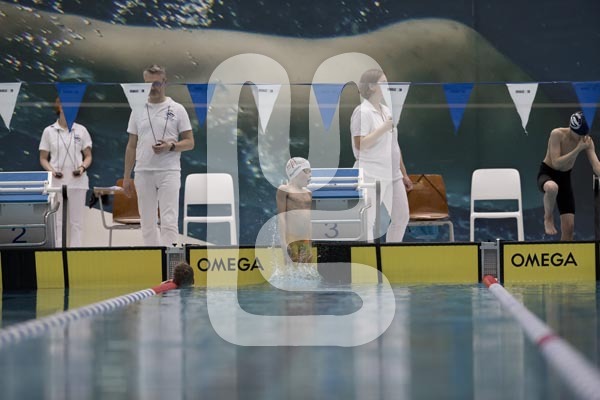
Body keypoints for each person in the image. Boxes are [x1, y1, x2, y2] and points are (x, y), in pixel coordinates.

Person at [123, 64, 194, 246]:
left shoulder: (177, 109)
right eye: (148, 84)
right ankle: (153, 259)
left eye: (156, 83)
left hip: (168, 171)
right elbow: (131, 145)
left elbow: (190, 142)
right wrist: (126, 177)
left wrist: (171, 146)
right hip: (143, 171)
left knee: (169, 221)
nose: (153, 88)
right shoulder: (137, 109)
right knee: (147, 222)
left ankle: (170, 260)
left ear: (165, 82)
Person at [350, 69, 412, 242]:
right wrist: (384, 128)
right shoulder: (362, 112)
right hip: (371, 173)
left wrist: (404, 173)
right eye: (383, 83)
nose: (387, 86)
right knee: (368, 221)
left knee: (401, 217)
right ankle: (368, 256)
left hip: (393, 174)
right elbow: (360, 144)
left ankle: (392, 254)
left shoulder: (387, 111)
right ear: (371, 86)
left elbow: (394, 146)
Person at [538, 111, 600, 240]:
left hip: (564, 178)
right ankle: (548, 217)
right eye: (579, 134)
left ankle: (565, 251)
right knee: (552, 188)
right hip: (548, 173)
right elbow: (556, 163)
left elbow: (596, 166)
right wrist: (577, 149)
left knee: (569, 228)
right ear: (572, 128)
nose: (582, 137)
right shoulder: (557, 134)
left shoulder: (586, 140)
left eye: (584, 133)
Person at [39, 98, 92, 247]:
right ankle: (57, 250)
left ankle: (76, 251)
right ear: (59, 107)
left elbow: (88, 156)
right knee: (57, 220)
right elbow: (43, 158)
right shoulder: (49, 131)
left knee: (77, 222)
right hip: (56, 183)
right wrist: (52, 171)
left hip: (77, 182)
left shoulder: (81, 130)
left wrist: (82, 168)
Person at [276, 157, 313, 264]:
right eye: (306, 171)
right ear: (296, 173)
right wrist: (283, 243)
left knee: (306, 268)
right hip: (291, 238)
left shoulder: (308, 193)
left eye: (310, 171)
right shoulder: (284, 189)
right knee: (291, 268)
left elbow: (309, 220)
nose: (310, 175)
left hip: (305, 238)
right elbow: (281, 217)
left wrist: (310, 243)